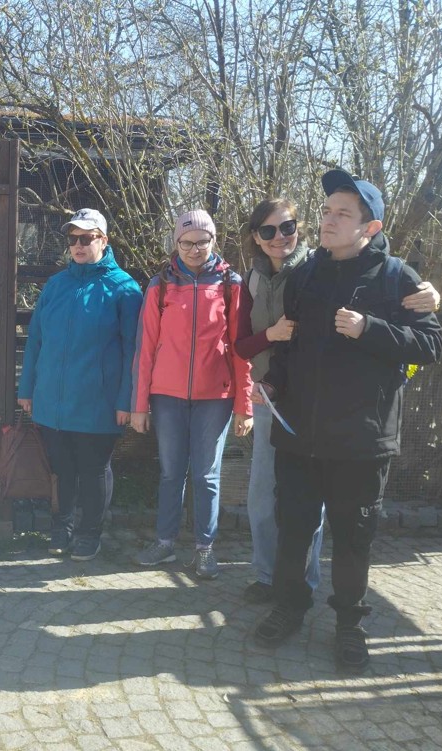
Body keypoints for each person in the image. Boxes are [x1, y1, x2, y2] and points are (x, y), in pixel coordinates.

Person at [252, 170, 442, 671]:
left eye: (342, 213)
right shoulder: (304, 276)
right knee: (294, 531)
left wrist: (369, 329)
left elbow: (430, 344)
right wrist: (273, 384)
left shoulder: (397, 278)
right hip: (299, 435)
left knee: (353, 539)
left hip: (361, 441)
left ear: (370, 227)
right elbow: (290, 346)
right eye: (326, 210)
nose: (328, 220)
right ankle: (289, 607)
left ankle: (349, 625)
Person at [131, 210, 253, 580]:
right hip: (165, 396)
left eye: (202, 241)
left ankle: (205, 549)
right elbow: (145, 348)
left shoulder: (232, 284)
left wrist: (244, 405)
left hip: (215, 397)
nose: (194, 249)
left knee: (206, 475)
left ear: (214, 240)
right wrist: (139, 405)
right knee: (171, 473)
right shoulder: (160, 285)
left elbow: (242, 350)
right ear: (176, 243)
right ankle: (165, 543)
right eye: (186, 242)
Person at [17, 208, 142, 561]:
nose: (78, 245)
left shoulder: (124, 289)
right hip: (53, 402)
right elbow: (36, 340)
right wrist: (27, 389)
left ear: (103, 240)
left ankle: (90, 533)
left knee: (93, 471)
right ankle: (63, 527)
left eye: (86, 238)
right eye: (73, 239)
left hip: (98, 403)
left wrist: (127, 400)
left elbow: (134, 351)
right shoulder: (56, 286)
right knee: (62, 470)